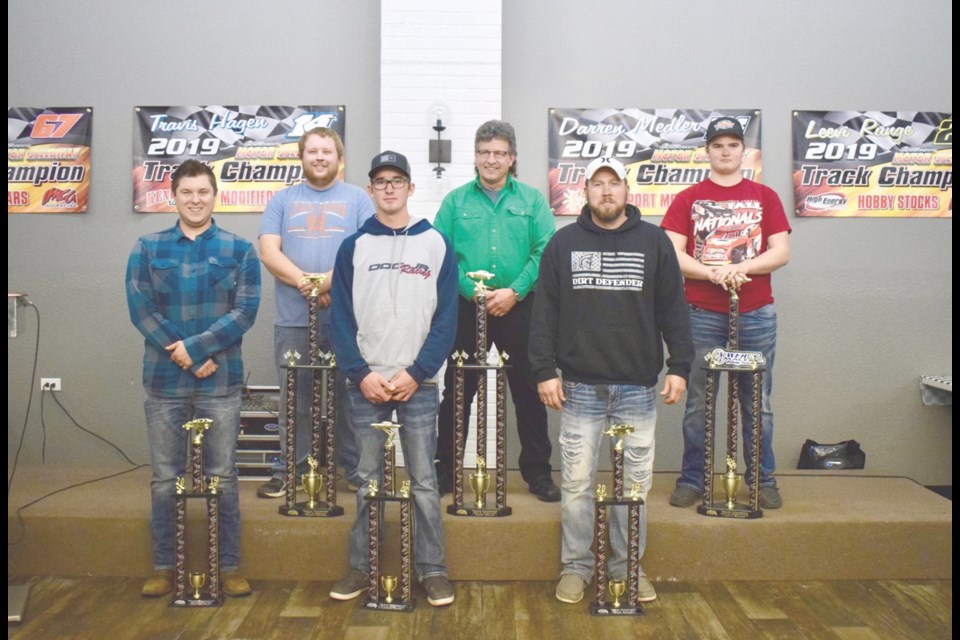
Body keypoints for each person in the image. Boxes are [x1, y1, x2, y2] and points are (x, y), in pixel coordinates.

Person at [529, 156, 694, 605]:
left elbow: (673, 310)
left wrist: (680, 365)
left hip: (637, 389)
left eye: (613, 183)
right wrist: (544, 370)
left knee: (633, 489)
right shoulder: (563, 245)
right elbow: (544, 313)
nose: (606, 191)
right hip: (579, 386)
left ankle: (628, 568)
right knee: (578, 484)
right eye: (597, 184)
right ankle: (577, 568)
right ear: (585, 192)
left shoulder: (655, 242)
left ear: (627, 191)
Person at [328, 151, 458, 606]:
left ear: (410, 188)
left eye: (397, 180)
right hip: (366, 385)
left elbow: (447, 319)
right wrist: (360, 374)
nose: (388, 188)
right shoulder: (353, 247)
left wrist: (418, 372)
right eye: (380, 181)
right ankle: (361, 567)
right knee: (367, 480)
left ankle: (433, 569)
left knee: (423, 479)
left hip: (417, 385)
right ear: (370, 190)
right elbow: (340, 320)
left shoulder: (435, 243)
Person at [126, 159, 261, 598]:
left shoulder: (239, 249)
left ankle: (230, 566)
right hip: (165, 384)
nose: (196, 200)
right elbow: (141, 308)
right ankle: (165, 565)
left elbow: (245, 311)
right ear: (173, 196)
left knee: (223, 477)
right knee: (165, 478)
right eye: (187, 193)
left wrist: (197, 349)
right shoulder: (147, 248)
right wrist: (188, 355)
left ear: (215, 195)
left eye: (203, 192)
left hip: (220, 385)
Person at [660, 116, 792, 510]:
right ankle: (693, 479)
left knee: (758, 403)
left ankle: (762, 480)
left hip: (755, 314)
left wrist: (741, 269)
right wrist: (713, 273)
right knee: (699, 402)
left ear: (743, 151)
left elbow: (781, 252)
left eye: (733, 145)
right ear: (707, 152)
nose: (725, 152)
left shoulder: (765, 196)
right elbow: (672, 253)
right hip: (701, 314)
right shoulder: (688, 198)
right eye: (718, 145)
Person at [432, 120, 560, 501]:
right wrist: (473, 291)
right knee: (458, 391)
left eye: (499, 153)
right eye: (485, 152)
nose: (492, 160)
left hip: (520, 307)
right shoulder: (455, 202)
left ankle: (537, 473)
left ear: (512, 158)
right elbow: (440, 254)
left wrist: (515, 291)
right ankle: (447, 471)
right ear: (475, 156)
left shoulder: (533, 201)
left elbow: (545, 253)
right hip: (466, 307)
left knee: (528, 392)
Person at [257, 127, 374, 498]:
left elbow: (367, 252)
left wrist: (323, 284)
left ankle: (355, 471)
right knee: (297, 400)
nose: (320, 157)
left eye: (327, 151)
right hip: (293, 319)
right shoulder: (281, 200)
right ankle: (290, 470)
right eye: (312, 151)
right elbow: (269, 252)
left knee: (350, 397)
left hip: (348, 319)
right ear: (301, 156)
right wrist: (308, 284)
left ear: (340, 158)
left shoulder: (359, 200)